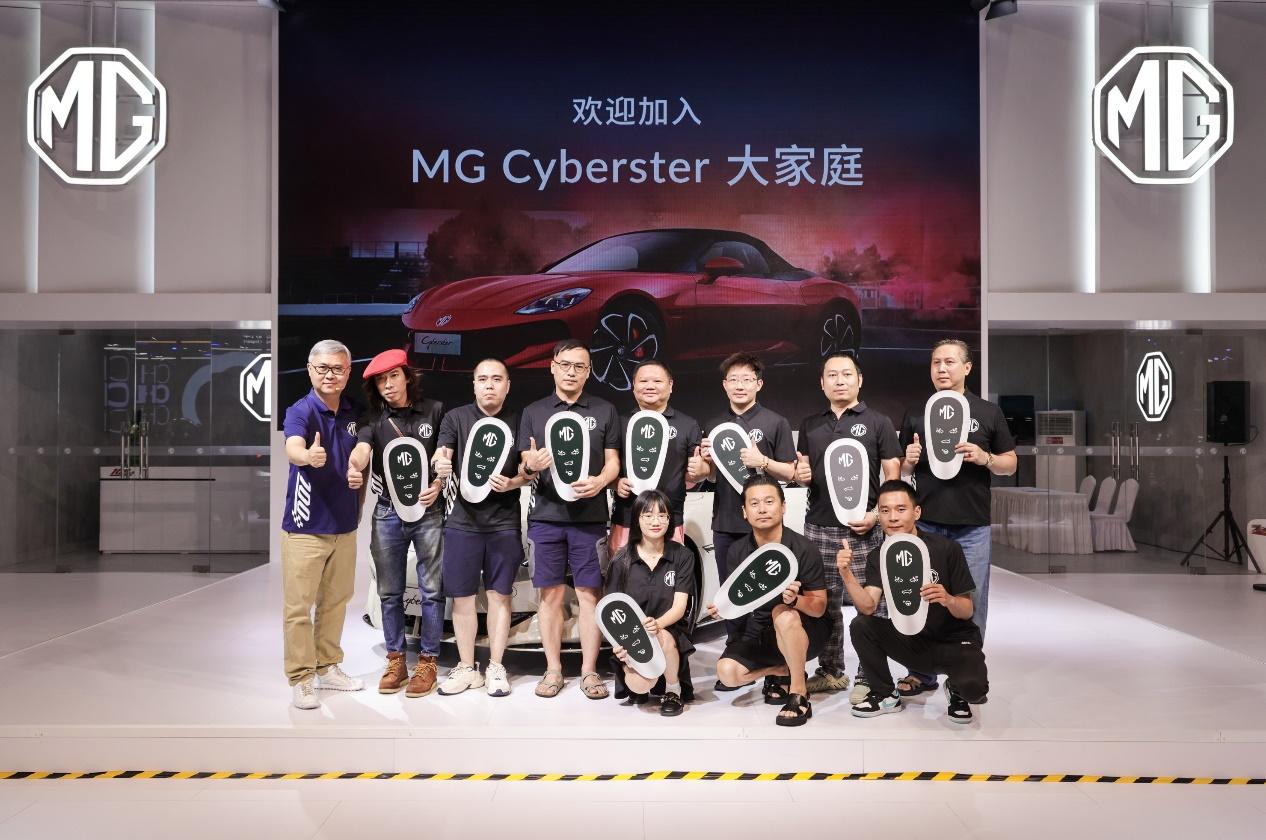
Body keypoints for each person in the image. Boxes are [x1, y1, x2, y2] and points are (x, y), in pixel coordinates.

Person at [896, 338, 1015, 697]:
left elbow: (1010, 464)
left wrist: (985, 458)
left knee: (970, 602)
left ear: (967, 367)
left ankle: (965, 675)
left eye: (949, 362)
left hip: (972, 526)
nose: (942, 369)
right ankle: (921, 673)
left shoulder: (988, 412)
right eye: (936, 362)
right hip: (926, 523)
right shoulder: (917, 412)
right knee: (921, 597)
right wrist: (908, 462)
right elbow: (901, 470)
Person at [794, 353, 901, 702]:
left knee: (871, 604)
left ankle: (870, 675)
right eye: (832, 375)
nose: (839, 381)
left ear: (859, 379)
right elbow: (803, 472)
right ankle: (831, 671)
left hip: (864, 529)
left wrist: (876, 516)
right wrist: (800, 475)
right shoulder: (810, 424)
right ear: (822, 383)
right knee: (825, 603)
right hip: (818, 527)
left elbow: (893, 478)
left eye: (846, 374)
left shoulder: (879, 422)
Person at [519, 339, 620, 699]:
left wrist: (601, 481)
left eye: (579, 366)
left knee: (589, 594)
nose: (571, 372)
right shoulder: (534, 411)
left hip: (590, 519)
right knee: (549, 595)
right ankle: (553, 670)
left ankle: (590, 672)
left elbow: (613, 461)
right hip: (545, 518)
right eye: (565, 365)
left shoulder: (605, 410)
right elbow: (525, 462)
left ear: (588, 372)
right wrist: (530, 465)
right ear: (552, 366)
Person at [843, 479, 989, 723]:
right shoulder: (879, 555)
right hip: (913, 643)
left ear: (917, 512)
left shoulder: (947, 548)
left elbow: (966, 611)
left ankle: (956, 688)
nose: (893, 517)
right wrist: (846, 574)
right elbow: (868, 606)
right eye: (885, 510)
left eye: (901, 509)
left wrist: (947, 599)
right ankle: (884, 694)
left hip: (953, 642)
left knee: (974, 690)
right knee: (861, 626)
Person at [348, 349, 446, 698]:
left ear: (407, 376)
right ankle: (396, 660)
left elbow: (445, 454)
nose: (388, 385)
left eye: (393, 376)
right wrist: (354, 464)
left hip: (428, 510)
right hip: (388, 511)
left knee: (432, 589)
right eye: (380, 380)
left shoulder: (434, 410)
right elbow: (362, 449)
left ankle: (428, 661)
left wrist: (439, 483)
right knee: (389, 591)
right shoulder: (373, 418)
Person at [431, 358, 528, 697]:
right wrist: (440, 463)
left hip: (504, 523)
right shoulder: (456, 418)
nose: (489, 384)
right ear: (473, 384)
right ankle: (466, 667)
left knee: (500, 596)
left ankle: (496, 666)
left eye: (497, 379)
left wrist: (514, 481)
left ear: (507, 386)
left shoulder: (520, 420)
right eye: (483, 379)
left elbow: (528, 470)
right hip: (462, 522)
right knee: (462, 598)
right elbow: (442, 454)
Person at [699, 352, 796, 690]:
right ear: (724, 385)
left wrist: (761, 461)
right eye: (733, 380)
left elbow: (791, 473)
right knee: (732, 594)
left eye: (747, 379)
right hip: (726, 523)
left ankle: (774, 664)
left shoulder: (775, 422)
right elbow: (711, 477)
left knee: (771, 595)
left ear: (759, 384)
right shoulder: (714, 424)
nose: (740, 385)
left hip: (767, 526)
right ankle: (738, 656)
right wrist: (705, 464)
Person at [281, 339, 365, 710]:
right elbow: (292, 447)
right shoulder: (301, 410)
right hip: (306, 527)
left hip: (344, 526)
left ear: (348, 372)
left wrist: (358, 467)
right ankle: (301, 678)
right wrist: (307, 456)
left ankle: (327, 666)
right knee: (299, 608)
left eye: (337, 369)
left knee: (336, 601)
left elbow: (363, 449)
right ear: (310, 370)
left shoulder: (353, 411)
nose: (330, 375)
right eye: (323, 368)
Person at [708, 475, 828, 727]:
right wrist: (723, 610)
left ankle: (798, 691)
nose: (762, 509)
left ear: (783, 507)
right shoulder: (737, 551)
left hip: (802, 630)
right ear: (744, 512)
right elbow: (739, 600)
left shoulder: (803, 547)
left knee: (782, 613)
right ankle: (779, 670)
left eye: (769, 502)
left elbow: (819, 607)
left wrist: (795, 601)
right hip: (760, 632)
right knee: (727, 673)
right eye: (754, 503)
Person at [605, 490, 696, 717]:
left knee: (662, 636)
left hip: (667, 628)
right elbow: (611, 611)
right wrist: (620, 644)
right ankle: (640, 677)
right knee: (640, 685)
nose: (656, 522)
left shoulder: (682, 555)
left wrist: (657, 625)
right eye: (648, 515)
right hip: (632, 635)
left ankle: (673, 690)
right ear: (637, 519)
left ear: (669, 519)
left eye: (662, 515)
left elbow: (680, 607)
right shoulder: (621, 559)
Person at [610, 360, 704, 553]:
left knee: (668, 571)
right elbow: (606, 466)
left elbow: (693, 476)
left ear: (670, 385)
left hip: (669, 519)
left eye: (657, 381)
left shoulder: (688, 425)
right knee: (622, 571)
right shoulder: (619, 423)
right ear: (633, 386)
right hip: (626, 518)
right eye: (643, 381)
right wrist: (615, 482)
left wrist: (701, 471)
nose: (650, 386)